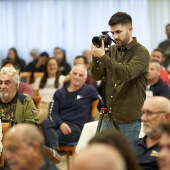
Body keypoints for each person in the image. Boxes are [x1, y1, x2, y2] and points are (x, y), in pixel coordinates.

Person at [90, 11, 149, 141]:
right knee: (105, 158)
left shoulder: (141, 52)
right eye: (112, 33)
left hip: (128, 119)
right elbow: (96, 76)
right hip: (108, 115)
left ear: (130, 30)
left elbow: (126, 73)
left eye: (118, 32)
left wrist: (103, 57)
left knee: (127, 159)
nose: (115, 36)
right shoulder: (111, 50)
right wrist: (95, 57)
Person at [42, 64, 102, 164]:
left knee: (43, 142)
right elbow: (53, 113)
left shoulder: (90, 90)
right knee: (46, 122)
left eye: (80, 75)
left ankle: (53, 152)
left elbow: (102, 106)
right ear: (70, 75)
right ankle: (54, 151)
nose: (77, 77)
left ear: (85, 79)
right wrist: (61, 124)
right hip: (60, 126)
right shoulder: (59, 93)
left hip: (76, 129)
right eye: (75, 73)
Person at [131, 96, 170, 170]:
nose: (143, 118)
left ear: (167, 117)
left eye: (149, 113)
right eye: (143, 113)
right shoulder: (132, 145)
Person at [34, 57, 66, 123]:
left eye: (54, 64)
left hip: (53, 106)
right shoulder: (39, 80)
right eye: (49, 65)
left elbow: (72, 75)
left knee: (36, 116)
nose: (52, 67)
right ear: (46, 67)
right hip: (39, 105)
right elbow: (34, 97)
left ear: (57, 66)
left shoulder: (62, 79)